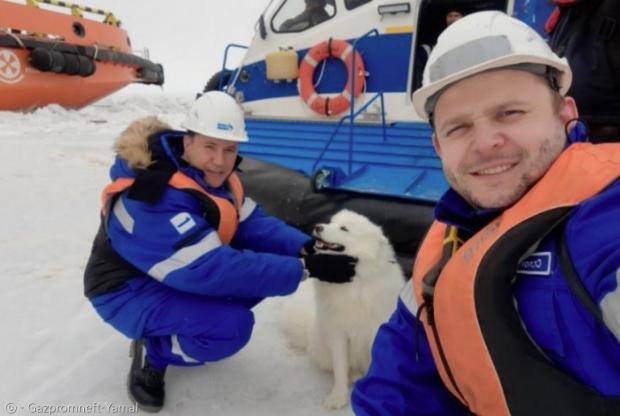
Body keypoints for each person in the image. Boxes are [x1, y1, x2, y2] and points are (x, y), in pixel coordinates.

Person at [352, 11, 620, 416]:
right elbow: (397, 383)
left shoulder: (604, 220)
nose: (485, 143)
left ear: (566, 114)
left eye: (509, 113)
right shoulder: (445, 243)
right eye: (458, 128)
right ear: (439, 147)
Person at [83, 91, 357, 412]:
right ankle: (154, 353)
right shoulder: (151, 196)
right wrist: (307, 269)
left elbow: (254, 223)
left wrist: (306, 247)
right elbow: (209, 270)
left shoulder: (214, 178)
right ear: (188, 143)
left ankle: (182, 321)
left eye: (229, 149)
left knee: (251, 283)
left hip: (170, 271)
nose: (220, 160)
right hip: (125, 289)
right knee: (230, 328)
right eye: (210, 146)